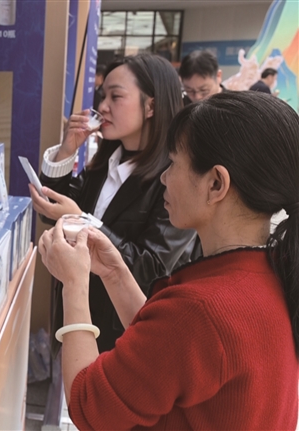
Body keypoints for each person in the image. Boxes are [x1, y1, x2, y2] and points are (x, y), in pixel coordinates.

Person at [38, 91, 299, 430]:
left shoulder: (201, 309)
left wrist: (74, 284)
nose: (164, 177)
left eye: (173, 163)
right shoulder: (274, 273)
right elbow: (167, 350)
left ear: (216, 183)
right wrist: (115, 273)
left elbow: (89, 405)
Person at [29, 53, 198, 352]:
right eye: (102, 95)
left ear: (151, 106)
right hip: (77, 312)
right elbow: (53, 210)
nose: (103, 106)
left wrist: (84, 221)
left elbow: (152, 266)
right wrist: (68, 149)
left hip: (125, 334)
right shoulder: (106, 162)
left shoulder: (175, 178)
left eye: (115, 96)